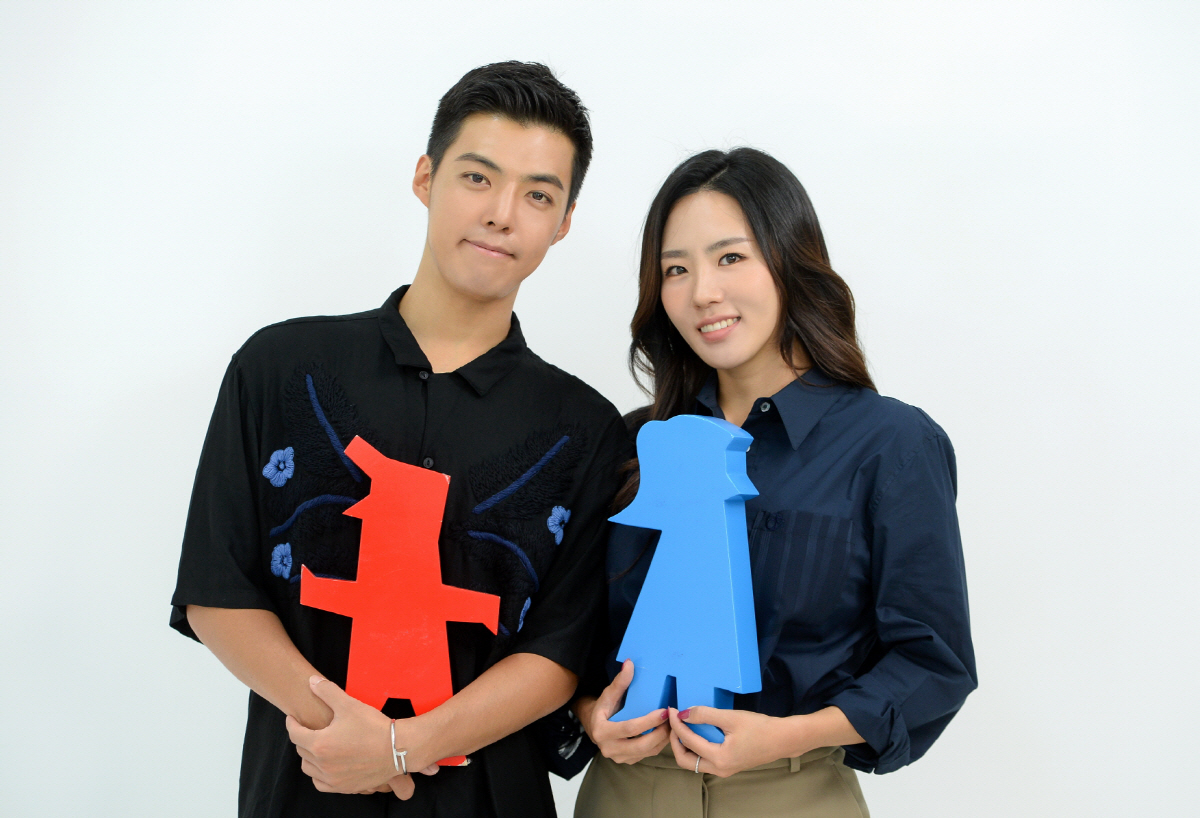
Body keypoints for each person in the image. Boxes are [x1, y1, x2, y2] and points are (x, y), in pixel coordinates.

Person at [170, 61, 631, 818]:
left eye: (538, 195)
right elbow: (217, 590)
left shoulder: (584, 428)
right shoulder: (280, 368)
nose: (502, 214)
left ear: (564, 222)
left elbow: (557, 650)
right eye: (477, 178)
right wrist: (344, 735)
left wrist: (400, 747)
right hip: (303, 786)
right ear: (426, 177)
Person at [571, 148, 977, 817]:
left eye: (730, 257)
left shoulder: (891, 445)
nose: (703, 292)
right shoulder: (635, 443)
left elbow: (933, 663)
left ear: (790, 260)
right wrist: (591, 713)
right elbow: (571, 633)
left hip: (793, 792)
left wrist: (790, 736)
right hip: (627, 793)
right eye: (676, 269)